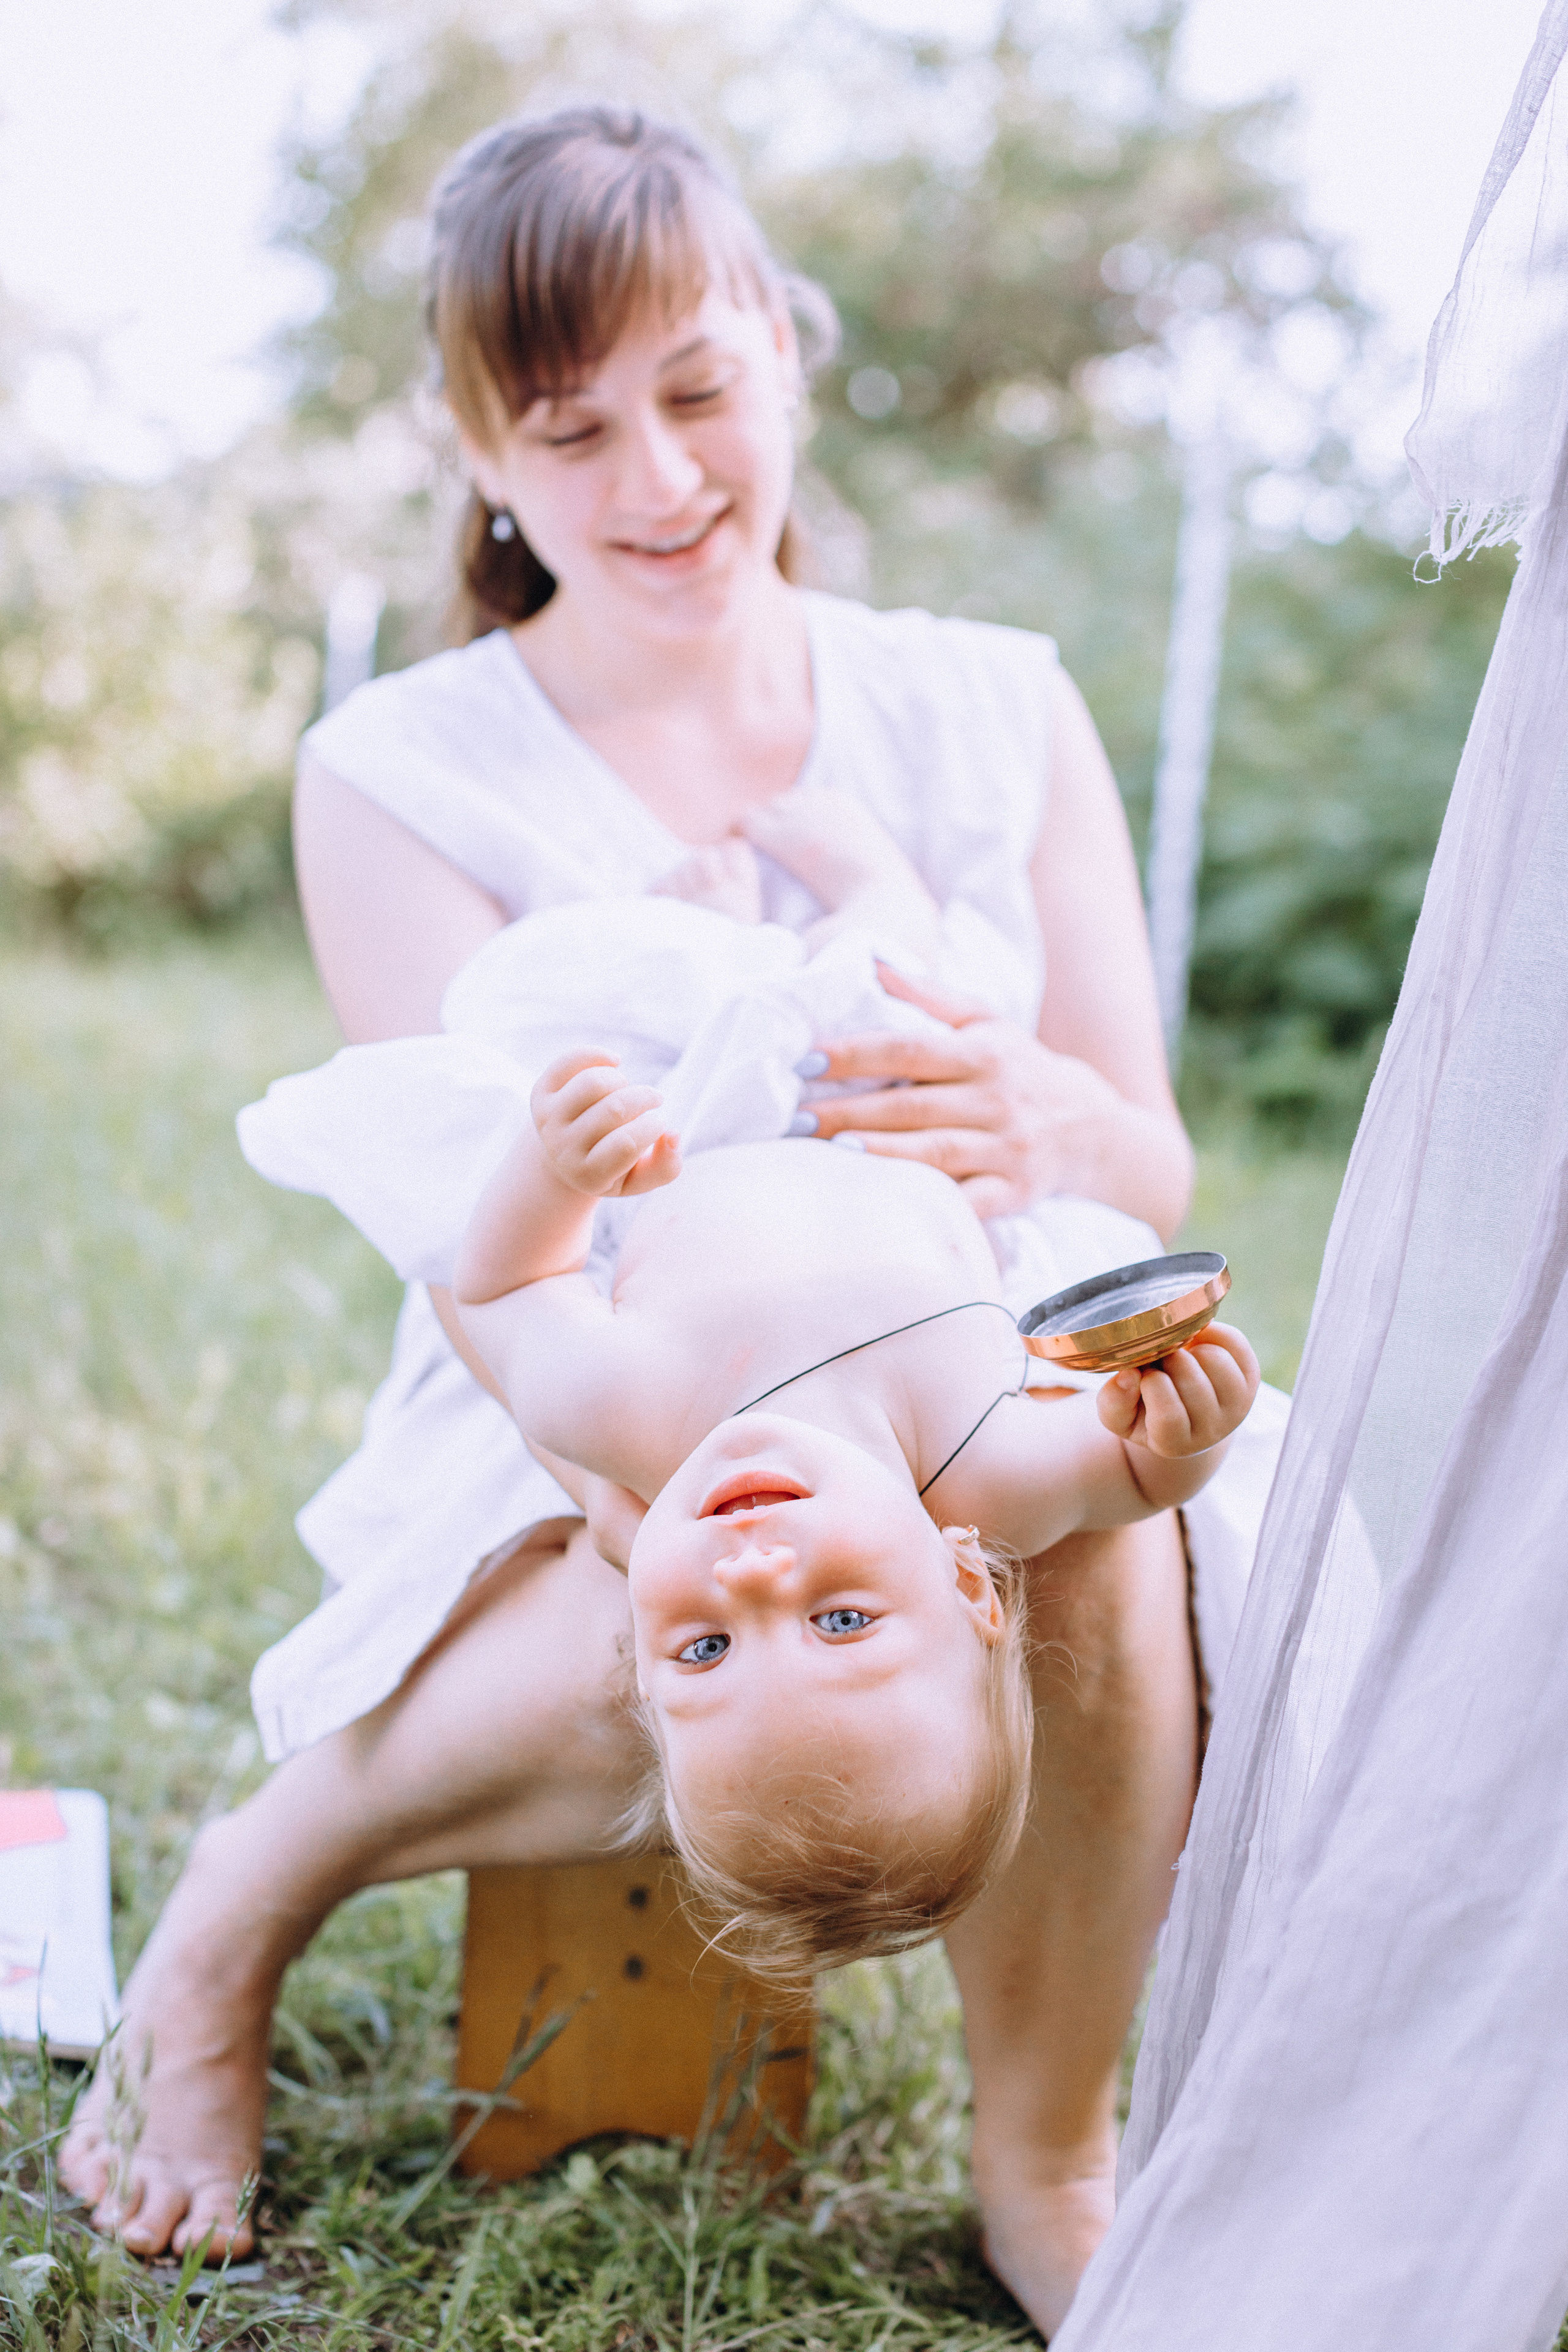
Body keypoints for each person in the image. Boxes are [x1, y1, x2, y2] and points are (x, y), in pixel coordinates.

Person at [62, 104, 1278, 2337]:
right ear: (482, 455)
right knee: (694, 1530)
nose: (658, 475)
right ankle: (243, 1902)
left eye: (700, 390)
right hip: (581, 1362)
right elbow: (472, 1230)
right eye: (571, 427)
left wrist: (1045, 1111)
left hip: (959, 1319)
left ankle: (1048, 2154)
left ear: (787, 356)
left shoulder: (988, 704)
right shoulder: (402, 768)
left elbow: (1149, 1164)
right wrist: (650, 1442)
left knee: (1079, 1527)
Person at [451, 1035, 1258, 1983]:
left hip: (686, 1079)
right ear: (968, 1583)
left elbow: (503, 1290)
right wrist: (1185, 1429)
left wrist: (555, 1176)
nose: (753, 1573)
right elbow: (1133, 1477)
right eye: (840, 1621)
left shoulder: (612, 1400)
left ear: (640, 1662)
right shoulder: (987, 1470)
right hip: (893, 1059)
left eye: (706, 1647)